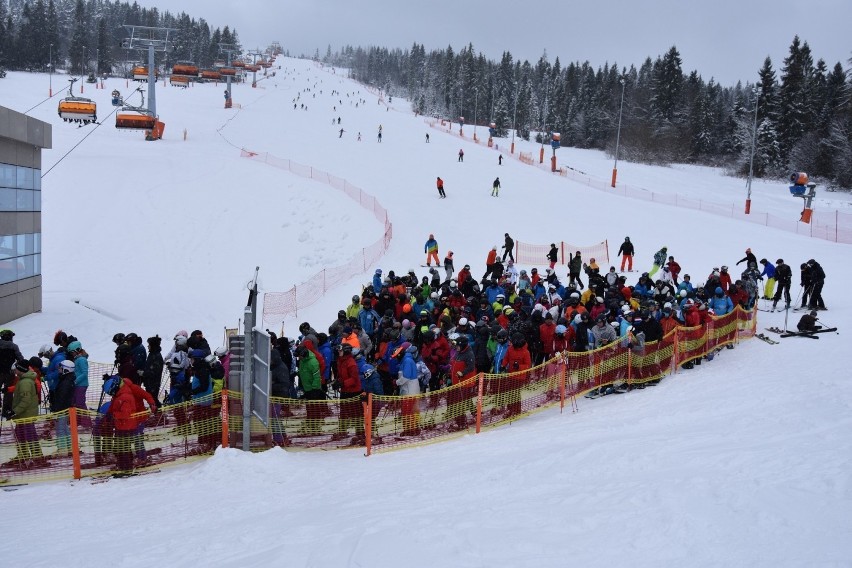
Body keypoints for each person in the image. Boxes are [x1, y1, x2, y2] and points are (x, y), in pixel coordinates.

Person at [105, 375, 156, 474]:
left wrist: (152, 403)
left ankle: (142, 458)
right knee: (126, 440)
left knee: (136, 438)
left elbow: (146, 395)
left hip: (138, 416)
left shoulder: (133, 389)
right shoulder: (119, 393)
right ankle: (127, 459)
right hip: (128, 419)